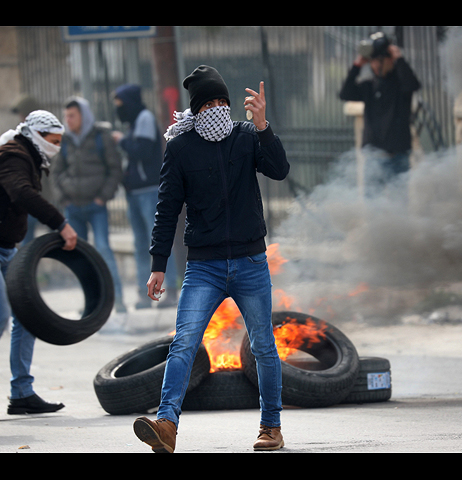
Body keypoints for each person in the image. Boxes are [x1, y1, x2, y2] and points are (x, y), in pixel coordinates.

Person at [132, 65, 290, 453]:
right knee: (184, 342)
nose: (218, 108)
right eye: (210, 103)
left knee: (263, 347)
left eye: (223, 102)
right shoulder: (182, 147)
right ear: (197, 109)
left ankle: (271, 427)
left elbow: (280, 170)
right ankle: (166, 426)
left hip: (251, 262)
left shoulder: (246, 136)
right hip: (204, 267)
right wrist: (158, 263)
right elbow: (167, 208)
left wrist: (264, 124)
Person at [0, 110, 78, 419]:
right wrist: (60, 223)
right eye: (53, 141)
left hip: (6, 249)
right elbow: (21, 194)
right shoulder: (13, 155)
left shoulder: (27, 155)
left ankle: (22, 393)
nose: (57, 147)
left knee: (27, 314)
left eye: (61, 141)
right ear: (36, 136)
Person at [52, 96, 127, 313]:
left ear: (83, 115)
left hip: (96, 206)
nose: (68, 119)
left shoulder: (100, 136)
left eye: (72, 115)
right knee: (82, 256)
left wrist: (103, 197)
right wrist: (64, 198)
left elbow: (114, 169)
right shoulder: (63, 140)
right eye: (66, 116)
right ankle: (91, 305)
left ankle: (118, 300)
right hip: (73, 208)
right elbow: (55, 173)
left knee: (103, 249)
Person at [113, 84, 178, 309]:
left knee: (158, 243)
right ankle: (145, 293)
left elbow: (142, 149)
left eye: (120, 104)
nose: (118, 109)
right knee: (141, 245)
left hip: (149, 191)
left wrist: (121, 140)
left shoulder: (144, 118)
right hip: (133, 193)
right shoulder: (133, 123)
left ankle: (170, 290)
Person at [339, 32, 421, 181]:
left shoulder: (400, 84)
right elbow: (345, 93)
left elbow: (412, 84)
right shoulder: (368, 86)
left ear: (390, 60)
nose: (375, 65)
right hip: (373, 155)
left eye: (380, 60)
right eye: (373, 61)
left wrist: (398, 57)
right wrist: (357, 65)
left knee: (400, 200)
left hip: (398, 154)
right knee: (373, 201)